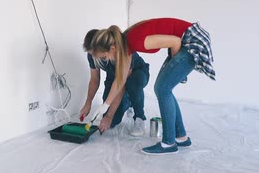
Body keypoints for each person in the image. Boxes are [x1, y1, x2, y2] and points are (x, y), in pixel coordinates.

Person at [88, 18, 215, 155]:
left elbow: (175, 41)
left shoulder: (135, 41)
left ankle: (169, 143)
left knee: (162, 89)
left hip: (193, 41)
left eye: (105, 56)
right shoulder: (125, 47)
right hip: (186, 41)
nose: (106, 60)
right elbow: (120, 81)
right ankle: (181, 137)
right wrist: (105, 106)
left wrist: (176, 67)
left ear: (112, 48)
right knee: (164, 89)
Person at [79, 29, 150, 135]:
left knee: (132, 84)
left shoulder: (121, 52)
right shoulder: (92, 54)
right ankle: (128, 101)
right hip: (113, 77)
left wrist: (109, 116)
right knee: (112, 122)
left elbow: (120, 85)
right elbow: (94, 79)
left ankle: (139, 117)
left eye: (95, 54)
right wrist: (88, 102)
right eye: (91, 54)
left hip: (136, 73)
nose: (93, 57)